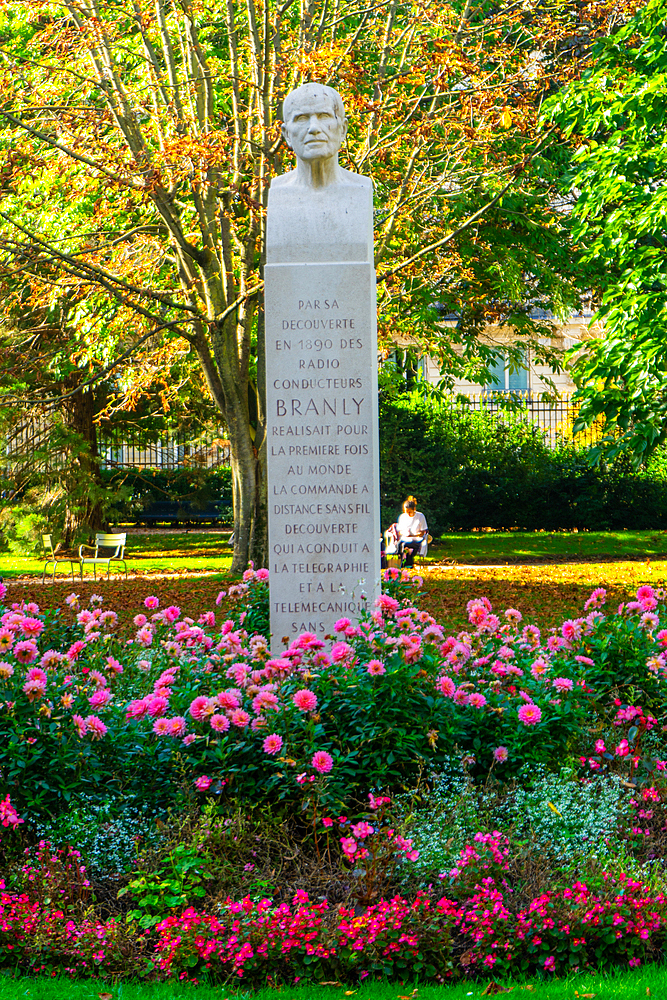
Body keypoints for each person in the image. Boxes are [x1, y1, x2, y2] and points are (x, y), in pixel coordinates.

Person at [275, 83, 369, 190]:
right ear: (287, 134)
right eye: (301, 118)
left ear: (342, 129)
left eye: (324, 116)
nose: (314, 128)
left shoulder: (361, 188)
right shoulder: (278, 190)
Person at [396, 496, 428, 568]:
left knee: (407, 546)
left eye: (410, 512)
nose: (408, 514)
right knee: (400, 545)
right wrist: (404, 533)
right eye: (406, 512)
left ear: (414, 509)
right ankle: (403, 564)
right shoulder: (402, 517)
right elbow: (400, 531)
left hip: (417, 538)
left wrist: (416, 534)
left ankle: (407, 564)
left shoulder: (420, 516)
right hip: (406, 538)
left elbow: (423, 531)